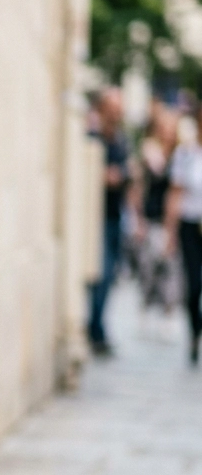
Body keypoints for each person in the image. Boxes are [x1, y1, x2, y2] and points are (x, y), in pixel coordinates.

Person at [87, 87, 130, 355]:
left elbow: (128, 174)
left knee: (110, 274)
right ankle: (95, 329)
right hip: (96, 217)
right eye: (112, 109)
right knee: (99, 275)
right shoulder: (92, 138)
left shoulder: (121, 141)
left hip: (116, 215)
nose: (116, 114)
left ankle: (99, 326)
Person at [135, 99, 179, 314]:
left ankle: (168, 311)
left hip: (172, 220)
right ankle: (145, 307)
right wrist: (139, 220)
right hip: (152, 217)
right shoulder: (150, 151)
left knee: (171, 270)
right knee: (149, 268)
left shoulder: (180, 155)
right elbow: (140, 186)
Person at [166, 100, 202, 364]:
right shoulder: (186, 154)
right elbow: (175, 194)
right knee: (194, 286)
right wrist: (170, 232)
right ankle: (194, 334)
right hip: (191, 226)